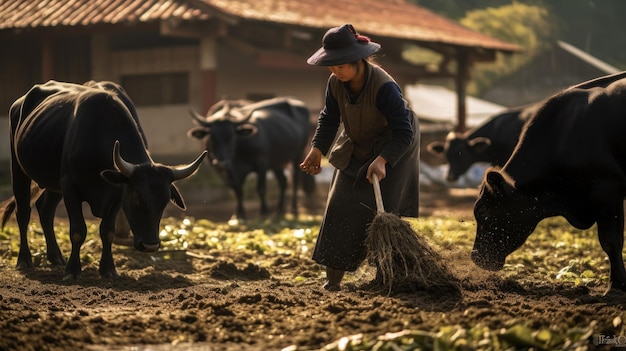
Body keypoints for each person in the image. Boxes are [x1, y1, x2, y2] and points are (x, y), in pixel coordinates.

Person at [300, 24, 420, 291]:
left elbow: (403, 131)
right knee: (340, 204)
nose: (335, 71)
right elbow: (329, 118)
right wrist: (318, 148)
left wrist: (384, 159)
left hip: (397, 142)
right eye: (331, 65)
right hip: (357, 141)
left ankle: (391, 276)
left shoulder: (385, 87)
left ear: (357, 61)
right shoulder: (335, 83)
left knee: (384, 210)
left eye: (340, 65)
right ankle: (333, 280)